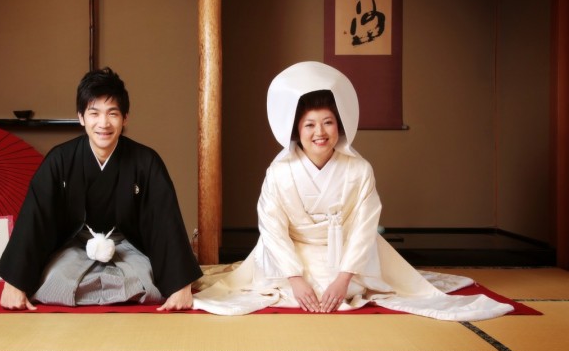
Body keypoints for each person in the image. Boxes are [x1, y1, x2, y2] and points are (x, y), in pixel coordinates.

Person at [192, 61, 514, 321]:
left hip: (346, 253)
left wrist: (344, 277)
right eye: (309, 124)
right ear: (296, 130)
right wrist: (295, 278)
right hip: (293, 253)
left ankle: (343, 280)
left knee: (339, 290)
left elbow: (364, 228)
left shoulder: (359, 169)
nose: (320, 132)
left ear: (340, 125)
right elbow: (272, 228)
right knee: (295, 291)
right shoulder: (279, 173)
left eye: (328, 122)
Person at [0, 67, 203, 311]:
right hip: (76, 246)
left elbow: (165, 220)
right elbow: (35, 217)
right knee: (55, 281)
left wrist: (180, 285)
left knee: (146, 282)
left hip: (127, 245)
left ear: (125, 118)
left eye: (112, 113)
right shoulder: (60, 160)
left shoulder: (146, 162)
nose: (103, 123)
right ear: (81, 117)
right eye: (94, 113)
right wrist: (15, 282)